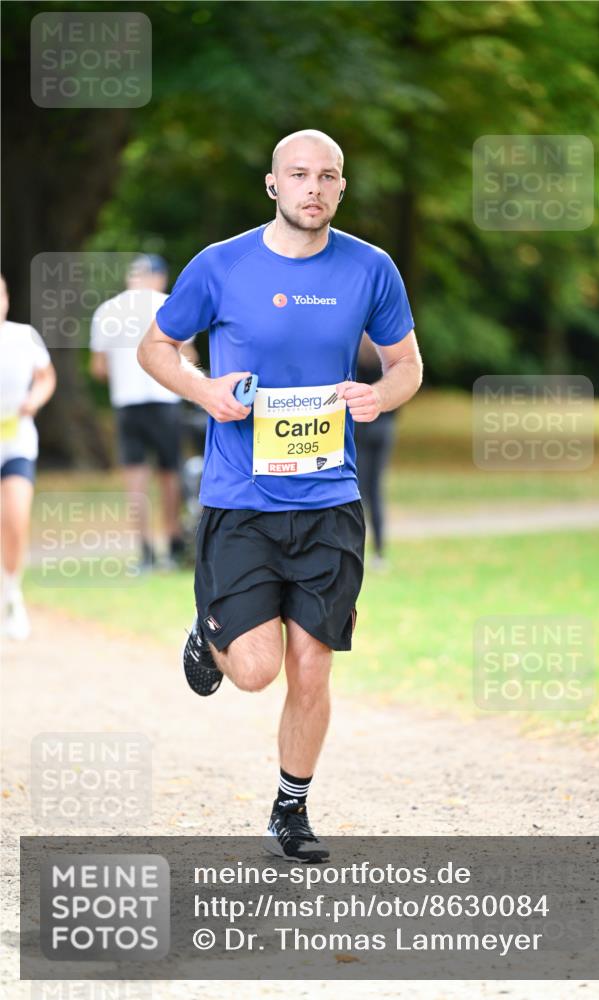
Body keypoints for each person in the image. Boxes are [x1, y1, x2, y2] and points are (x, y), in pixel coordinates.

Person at [138, 129, 422, 861]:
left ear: (340, 187)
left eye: (328, 176)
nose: (313, 188)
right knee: (257, 671)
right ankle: (209, 636)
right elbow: (155, 347)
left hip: (328, 499)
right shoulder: (220, 265)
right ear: (272, 184)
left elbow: (406, 366)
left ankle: (291, 809)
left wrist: (378, 396)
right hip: (241, 499)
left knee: (313, 663)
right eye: (299, 175)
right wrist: (203, 391)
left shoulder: (370, 268)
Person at [90, 255, 192, 570]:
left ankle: (144, 551)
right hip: (165, 399)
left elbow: (98, 367)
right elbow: (187, 356)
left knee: (135, 477)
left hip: (127, 402)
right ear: (159, 278)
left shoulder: (107, 311)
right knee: (170, 473)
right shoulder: (169, 304)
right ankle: (173, 546)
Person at [0, 275, 57, 639]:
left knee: (16, 520)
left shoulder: (23, 336)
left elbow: (46, 376)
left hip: (16, 441)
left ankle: (12, 595)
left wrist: (34, 399)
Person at [354, 332, 398, 570]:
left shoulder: (355, 352)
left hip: (362, 428)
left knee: (360, 492)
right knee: (376, 491)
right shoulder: (387, 352)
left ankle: (357, 549)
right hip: (386, 427)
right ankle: (380, 552)